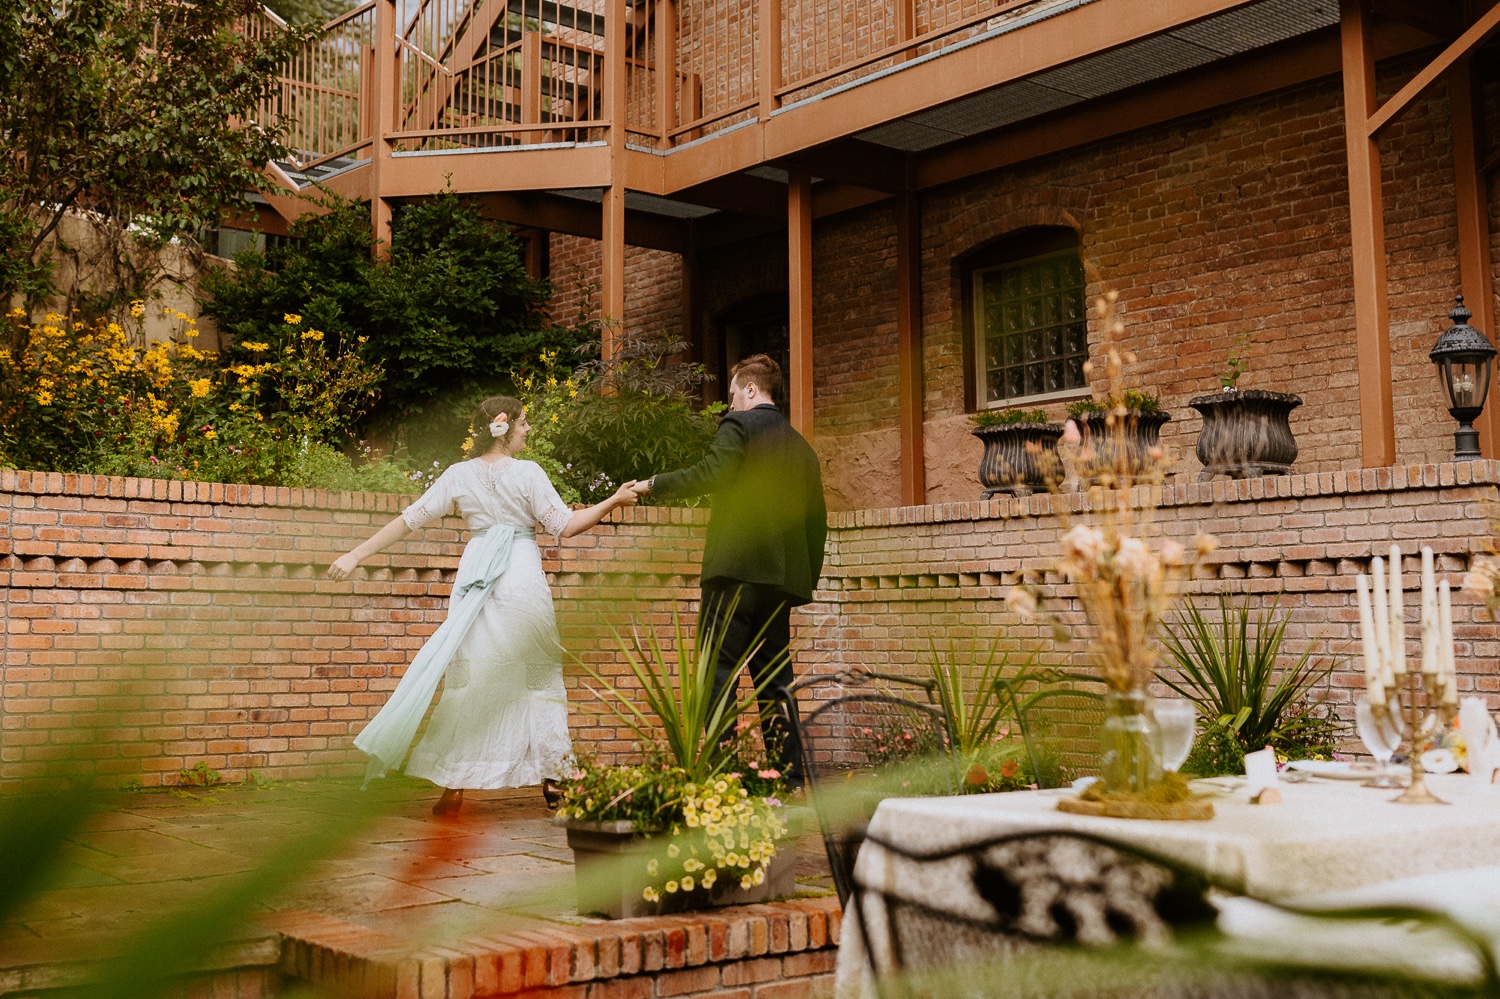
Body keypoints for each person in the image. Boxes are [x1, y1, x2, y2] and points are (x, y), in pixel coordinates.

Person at [328, 397, 638, 815]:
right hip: (519, 576)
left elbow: (408, 520)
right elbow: (566, 526)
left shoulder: (458, 475)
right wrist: (613, 500)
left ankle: (456, 785)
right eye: (525, 423)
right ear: (506, 428)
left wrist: (355, 554)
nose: (528, 430)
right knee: (537, 675)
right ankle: (555, 778)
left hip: (475, 576)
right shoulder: (529, 472)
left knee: (470, 678)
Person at [631, 354, 826, 785]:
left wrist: (653, 485)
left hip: (735, 574)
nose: (732, 403)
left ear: (752, 390)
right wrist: (800, 583)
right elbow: (817, 524)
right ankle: (788, 779)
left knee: (718, 671)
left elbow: (711, 473)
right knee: (775, 680)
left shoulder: (739, 425)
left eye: (735, 394)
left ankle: (721, 775)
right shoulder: (802, 450)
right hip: (780, 586)